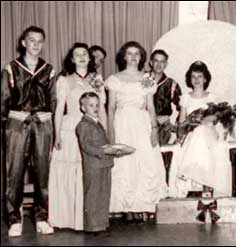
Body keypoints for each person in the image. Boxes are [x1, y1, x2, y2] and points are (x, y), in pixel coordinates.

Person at [1, 26, 56, 237]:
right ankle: (14, 218)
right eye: (31, 40)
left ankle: (42, 217)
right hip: (17, 124)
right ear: (23, 42)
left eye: (39, 41)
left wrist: (48, 115)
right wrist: (10, 118)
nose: (35, 44)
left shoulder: (48, 69)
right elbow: (3, 99)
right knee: (14, 173)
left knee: (43, 172)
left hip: (42, 124)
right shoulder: (11, 68)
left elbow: (53, 99)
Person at [105, 41, 167, 224]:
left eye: (137, 54)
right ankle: (126, 208)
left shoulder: (147, 78)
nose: (133, 57)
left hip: (142, 123)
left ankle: (143, 206)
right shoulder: (115, 79)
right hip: (122, 122)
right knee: (124, 164)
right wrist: (111, 133)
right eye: (130, 53)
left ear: (141, 58)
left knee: (145, 162)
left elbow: (150, 106)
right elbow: (110, 109)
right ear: (124, 56)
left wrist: (154, 129)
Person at [48, 43, 107, 231]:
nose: (82, 57)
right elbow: (59, 110)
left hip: (92, 129)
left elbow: (102, 110)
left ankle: (87, 220)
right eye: (77, 54)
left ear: (90, 58)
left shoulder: (97, 80)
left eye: (85, 54)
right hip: (70, 129)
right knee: (69, 173)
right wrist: (57, 135)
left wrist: (105, 135)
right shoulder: (64, 80)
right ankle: (66, 219)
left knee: (89, 174)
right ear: (72, 59)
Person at [168, 61, 235, 198]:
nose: (197, 80)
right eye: (193, 76)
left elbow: (217, 120)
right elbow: (182, 123)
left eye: (200, 76)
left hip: (209, 133)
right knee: (197, 133)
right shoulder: (185, 98)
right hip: (192, 134)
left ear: (205, 79)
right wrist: (179, 137)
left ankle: (185, 173)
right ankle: (205, 184)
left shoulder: (212, 97)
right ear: (189, 79)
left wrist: (208, 121)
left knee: (202, 131)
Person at [76, 92, 114, 234]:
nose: (95, 108)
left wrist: (111, 151)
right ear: (82, 107)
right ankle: (92, 225)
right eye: (91, 105)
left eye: (97, 105)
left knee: (104, 194)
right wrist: (103, 151)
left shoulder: (97, 123)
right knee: (92, 195)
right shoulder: (83, 124)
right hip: (93, 165)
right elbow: (86, 146)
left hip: (104, 163)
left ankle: (102, 222)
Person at [149, 49, 182, 145]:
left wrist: (175, 124)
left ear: (166, 64)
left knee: (159, 156)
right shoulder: (142, 79)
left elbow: (182, 107)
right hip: (143, 125)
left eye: (162, 62)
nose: (159, 65)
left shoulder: (172, 84)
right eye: (156, 61)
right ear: (151, 62)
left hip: (162, 129)